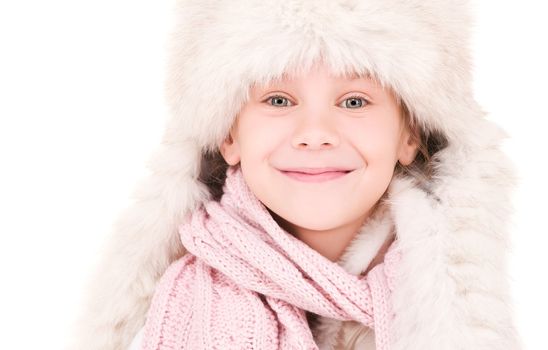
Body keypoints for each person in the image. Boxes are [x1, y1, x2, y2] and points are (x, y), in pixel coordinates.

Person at [67, 1, 523, 349]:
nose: (315, 135)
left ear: (410, 134)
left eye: (354, 101)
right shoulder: (176, 313)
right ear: (229, 135)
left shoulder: (457, 312)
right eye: (279, 100)